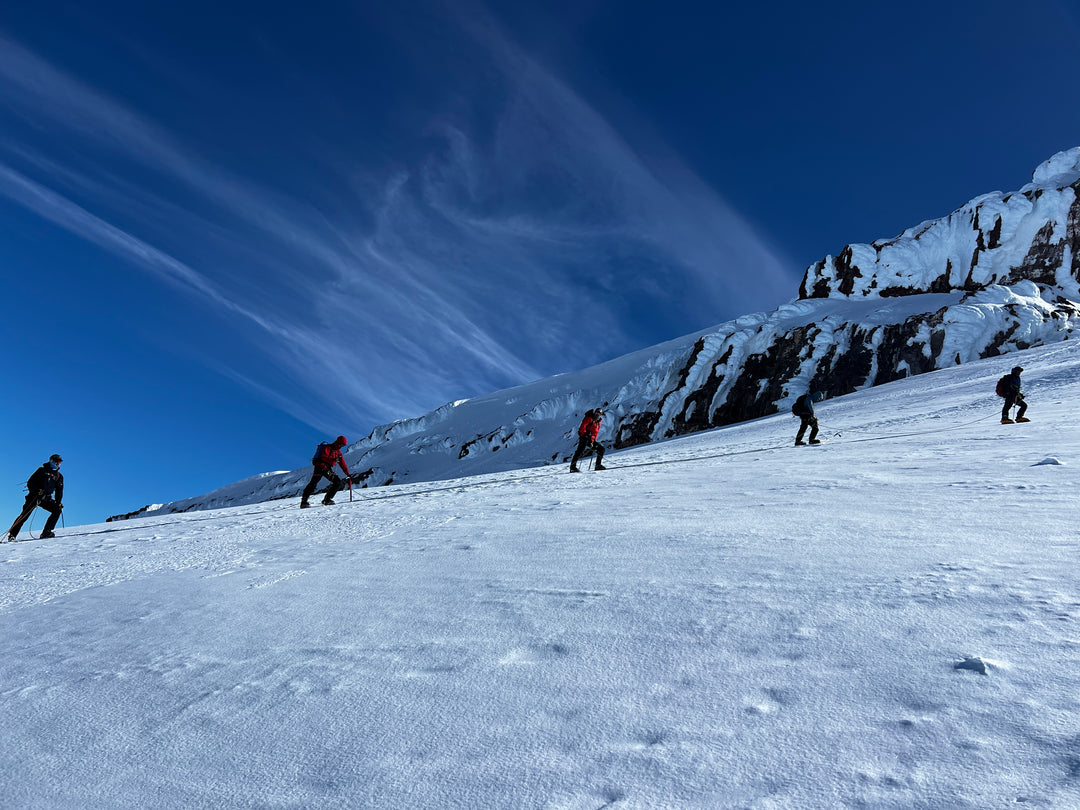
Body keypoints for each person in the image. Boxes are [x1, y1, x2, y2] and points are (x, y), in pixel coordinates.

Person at [6, 454, 64, 541]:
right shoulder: (41, 470)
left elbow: (59, 491)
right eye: (56, 461)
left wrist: (58, 502)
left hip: (46, 499)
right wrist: (37, 491)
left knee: (57, 510)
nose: (58, 464)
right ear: (51, 461)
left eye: (59, 462)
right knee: (24, 515)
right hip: (34, 497)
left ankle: (46, 532)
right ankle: (12, 535)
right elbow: (30, 482)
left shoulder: (59, 476)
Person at [300, 436, 351, 508]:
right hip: (321, 467)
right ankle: (326, 500)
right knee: (336, 481)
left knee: (314, 483)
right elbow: (323, 456)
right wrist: (334, 459)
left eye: (343, 445)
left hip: (324, 468)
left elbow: (343, 464)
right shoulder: (328, 447)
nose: (342, 446)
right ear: (338, 442)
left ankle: (305, 501)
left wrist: (348, 474)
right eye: (341, 444)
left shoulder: (338, 453)